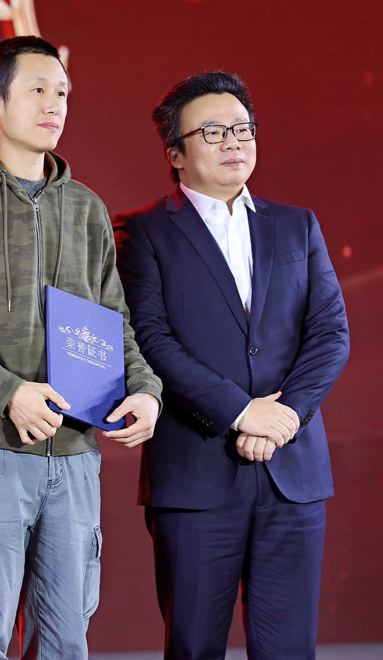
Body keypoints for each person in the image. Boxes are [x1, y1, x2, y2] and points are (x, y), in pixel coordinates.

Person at [0, 35, 163, 659]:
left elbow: (114, 322)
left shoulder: (87, 208)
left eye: (62, 92)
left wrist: (146, 391)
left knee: (67, 640)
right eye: (37, 89)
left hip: (74, 455)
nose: (53, 105)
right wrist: (8, 392)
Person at [113, 70, 350, 659]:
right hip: (195, 474)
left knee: (290, 649)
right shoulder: (142, 231)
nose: (234, 142)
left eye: (243, 128)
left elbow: (330, 333)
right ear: (175, 153)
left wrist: (284, 417)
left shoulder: (296, 224)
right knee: (194, 646)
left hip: (292, 472)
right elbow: (149, 340)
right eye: (213, 132)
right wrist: (241, 413)